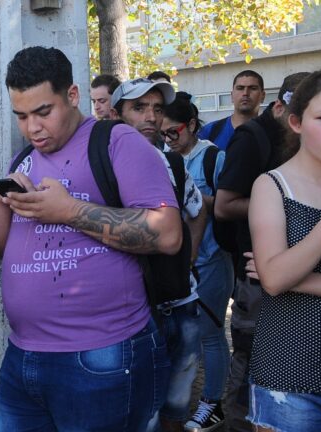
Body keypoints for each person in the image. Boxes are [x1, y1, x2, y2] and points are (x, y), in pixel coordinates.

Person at [0, 46, 178, 431]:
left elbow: (168, 233)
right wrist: (3, 202)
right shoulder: (23, 158)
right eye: (21, 116)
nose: (32, 128)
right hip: (22, 354)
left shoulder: (117, 142)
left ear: (72, 95)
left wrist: (69, 210)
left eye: (43, 112)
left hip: (102, 354)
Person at [214, 72, 310, 432]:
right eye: (306, 116)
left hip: (300, 276)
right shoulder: (253, 138)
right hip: (257, 278)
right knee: (250, 368)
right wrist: (282, 205)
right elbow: (223, 206)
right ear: (282, 108)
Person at [112, 77, 206, 432]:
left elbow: (198, 210)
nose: (150, 116)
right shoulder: (103, 166)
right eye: (139, 108)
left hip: (182, 304)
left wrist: (188, 257)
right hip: (134, 311)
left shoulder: (175, 164)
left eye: (156, 108)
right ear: (117, 115)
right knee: (141, 412)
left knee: (176, 409)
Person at [245, 69, 321, 432]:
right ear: (296, 122)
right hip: (289, 375)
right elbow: (274, 279)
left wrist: (293, 277)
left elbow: (277, 276)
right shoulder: (273, 186)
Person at [159, 94, 235, 432]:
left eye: (173, 132)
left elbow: (229, 203)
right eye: (163, 134)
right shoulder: (163, 158)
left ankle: (213, 403)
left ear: (191, 125)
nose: (168, 139)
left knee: (210, 334)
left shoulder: (214, 157)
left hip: (211, 260)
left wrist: (195, 198)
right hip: (177, 265)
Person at [198, 70, 265, 151]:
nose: (245, 93)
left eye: (253, 88)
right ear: (232, 95)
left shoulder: (272, 133)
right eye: (240, 88)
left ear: (263, 96)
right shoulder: (209, 132)